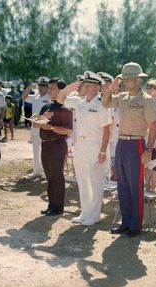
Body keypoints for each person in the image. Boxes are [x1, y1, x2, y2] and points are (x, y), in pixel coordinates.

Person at [102, 62, 156, 237]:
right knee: (123, 185)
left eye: (128, 78)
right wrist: (111, 89)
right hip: (121, 143)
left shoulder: (147, 100)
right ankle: (125, 222)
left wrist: (149, 150)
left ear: (137, 80)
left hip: (137, 144)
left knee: (136, 186)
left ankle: (135, 225)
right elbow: (105, 104)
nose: (125, 81)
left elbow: (154, 126)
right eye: (124, 78)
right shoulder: (122, 97)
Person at [57, 71, 111, 226]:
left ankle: (94, 215)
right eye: (84, 84)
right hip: (80, 145)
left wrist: (102, 151)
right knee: (83, 180)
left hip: (95, 146)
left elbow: (107, 130)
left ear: (96, 87)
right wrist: (70, 87)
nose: (84, 87)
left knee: (95, 181)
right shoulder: (79, 102)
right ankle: (85, 212)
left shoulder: (102, 105)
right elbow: (60, 99)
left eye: (87, 85)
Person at [34, 78, 72, 216]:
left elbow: (68, 131)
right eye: (48, 88)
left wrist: (51, 127)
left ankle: (58, 207)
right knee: (49, 176)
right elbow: (35, 124)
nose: (49, 91)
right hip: (45, 145)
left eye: (52, 88)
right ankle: (51, 205)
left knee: (57, 176)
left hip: (57, 144)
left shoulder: (65, 109)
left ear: (61, 91)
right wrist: (42, 118)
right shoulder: (46, 107)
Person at [22, 77, 51, 178]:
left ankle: (44, 171)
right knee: (36, 149)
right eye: (39, 85)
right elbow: (24, 97)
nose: (41, 88)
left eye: (43, 86)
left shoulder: (50, 97)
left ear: (48, 87)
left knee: (45, 150)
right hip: (34, 127)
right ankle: (36, 170)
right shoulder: (36, 97)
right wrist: (29, 87)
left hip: (44, 126)